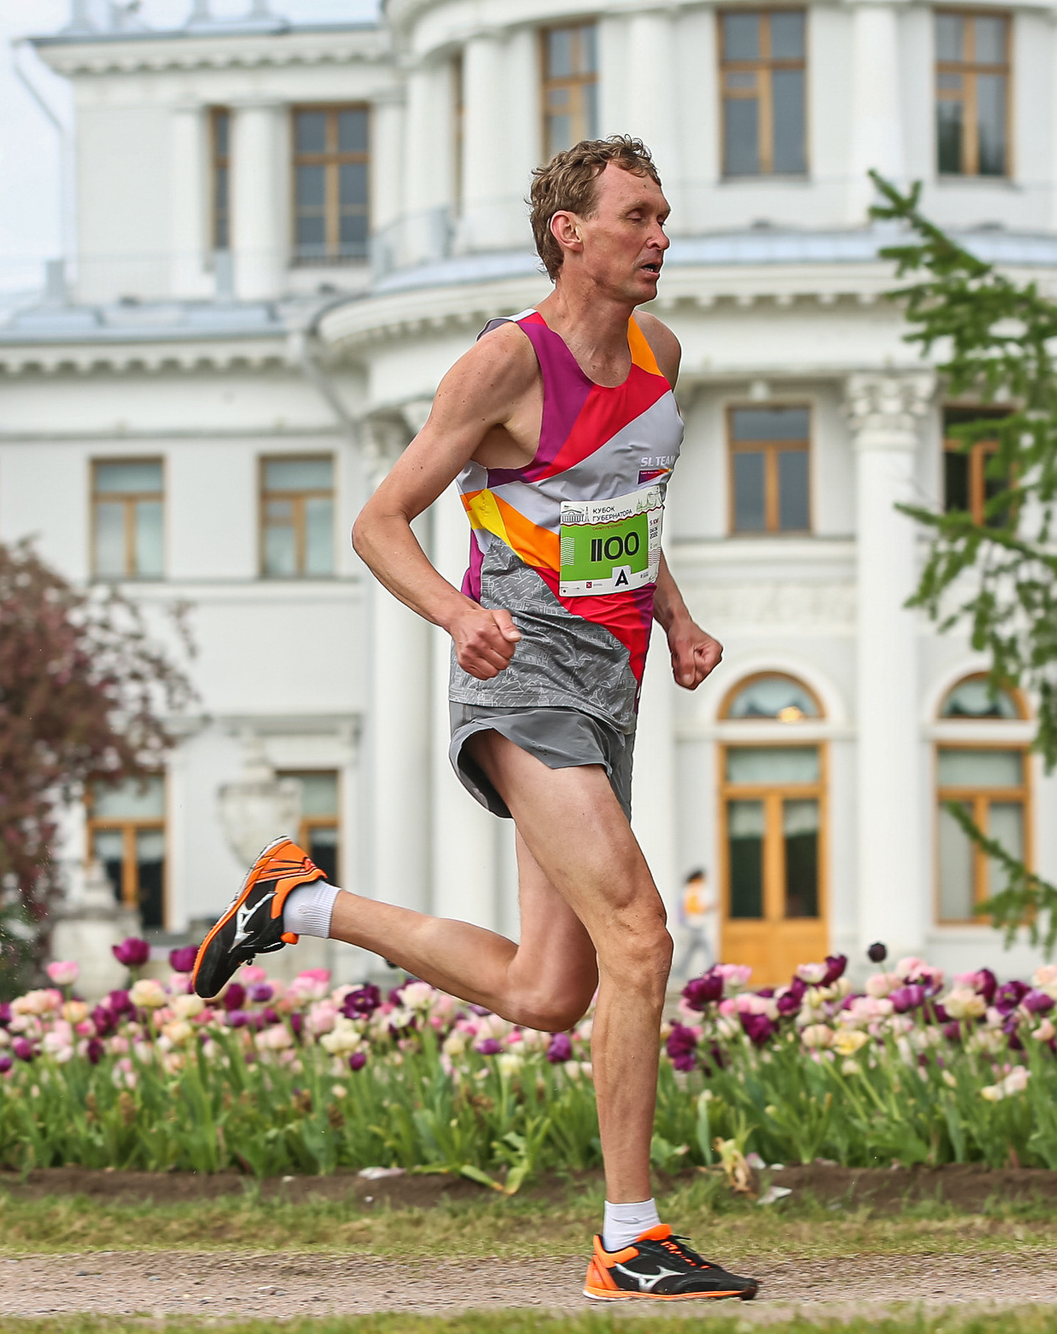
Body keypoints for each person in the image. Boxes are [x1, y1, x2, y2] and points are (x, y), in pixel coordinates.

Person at [189, 136, 758, 1303]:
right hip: (522, 677)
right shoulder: (505, 364)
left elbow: (621, 509)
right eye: (637, 216)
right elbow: (379, 521)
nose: (660, 236)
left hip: (610, 682)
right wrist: (457, 616)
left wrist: (678, 617)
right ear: (569, 232)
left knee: (548, 992)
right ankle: (628, 1240)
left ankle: (295, 901)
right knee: (640, 940)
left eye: (662, 215)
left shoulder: (659, 352)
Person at [674, 866, 716, 981]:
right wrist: (711, 906)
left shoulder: (686, 890)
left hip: (690, 924)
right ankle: (712, 973)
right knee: (705, 949)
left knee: (689, 951)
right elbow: (698, 907)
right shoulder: (698, 890)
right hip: (696, 924)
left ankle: (679, 973)